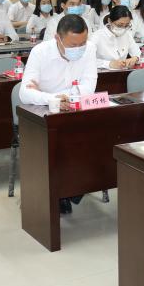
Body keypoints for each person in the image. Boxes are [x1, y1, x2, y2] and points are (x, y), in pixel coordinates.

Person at [19, 14, 97, 214]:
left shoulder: (89, 49)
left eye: (82, 43)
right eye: (73, 45)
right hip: (45, 115)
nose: (79, 48)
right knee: (59, 146)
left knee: (98, 143)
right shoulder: (40, 52)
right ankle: (59, 192)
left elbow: (89, 87)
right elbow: (24, 93)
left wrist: (56, 96)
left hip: (75, 112)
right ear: (57, 38)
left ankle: (71, 190)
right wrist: (52, 99)